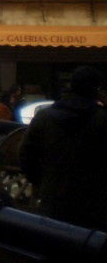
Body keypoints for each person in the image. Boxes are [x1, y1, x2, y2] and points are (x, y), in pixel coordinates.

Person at [19, 66, 107, 230]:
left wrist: (43, 182)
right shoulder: (102, 119)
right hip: (92, 204)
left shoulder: (44, 116)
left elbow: (26, 156)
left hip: (52, 199)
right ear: (96, 89)